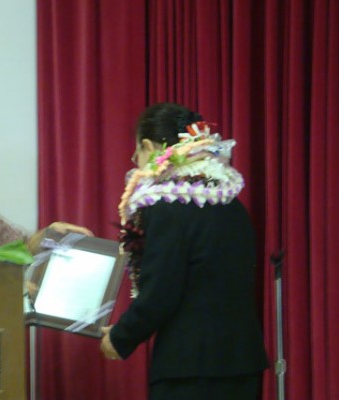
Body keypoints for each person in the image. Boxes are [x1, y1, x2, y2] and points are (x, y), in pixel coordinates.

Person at [100, 103, 268, 399]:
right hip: (242, 366)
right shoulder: (233, 206)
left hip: (189, 371)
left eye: (136, 151)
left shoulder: (166, 209)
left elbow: (161, 292)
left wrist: (120, 337)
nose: (133, 160)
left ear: (150, 147)